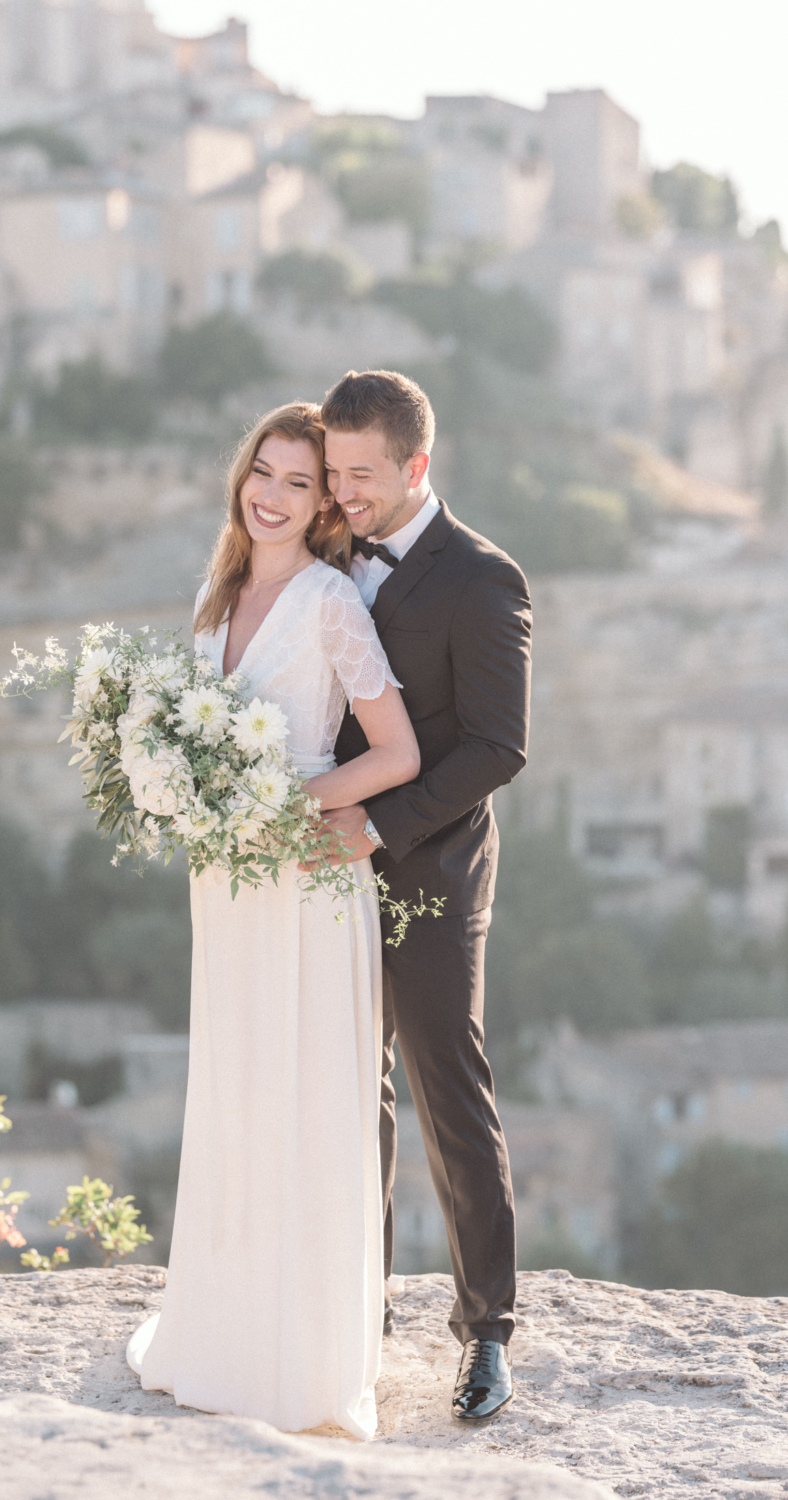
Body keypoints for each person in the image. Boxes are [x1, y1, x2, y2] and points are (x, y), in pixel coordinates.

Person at [126, 402, 420, 1440]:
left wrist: (303, 804)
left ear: (321, 502)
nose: (276, 495)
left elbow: (397, 754)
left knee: (300, 1093)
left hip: (302, 869)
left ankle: (299, 1361)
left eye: (302, 482)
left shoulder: (331, 600)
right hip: (227, 879)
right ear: (241, 475)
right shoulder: (215, 601)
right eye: (266, 470)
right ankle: (222, 1327)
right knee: (236, 1090)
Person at [321, 369, 532, 1424]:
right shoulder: (322, 546)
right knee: (347, 1086)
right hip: (315, 864)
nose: (340, 491)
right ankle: (347, 1315)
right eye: (331, 471)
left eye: (360, 475)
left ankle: (486, 1333)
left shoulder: (483, 579)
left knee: (448, 1083)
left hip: (431, 863)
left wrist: (380, 826)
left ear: (416, 466)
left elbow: (499, 745)